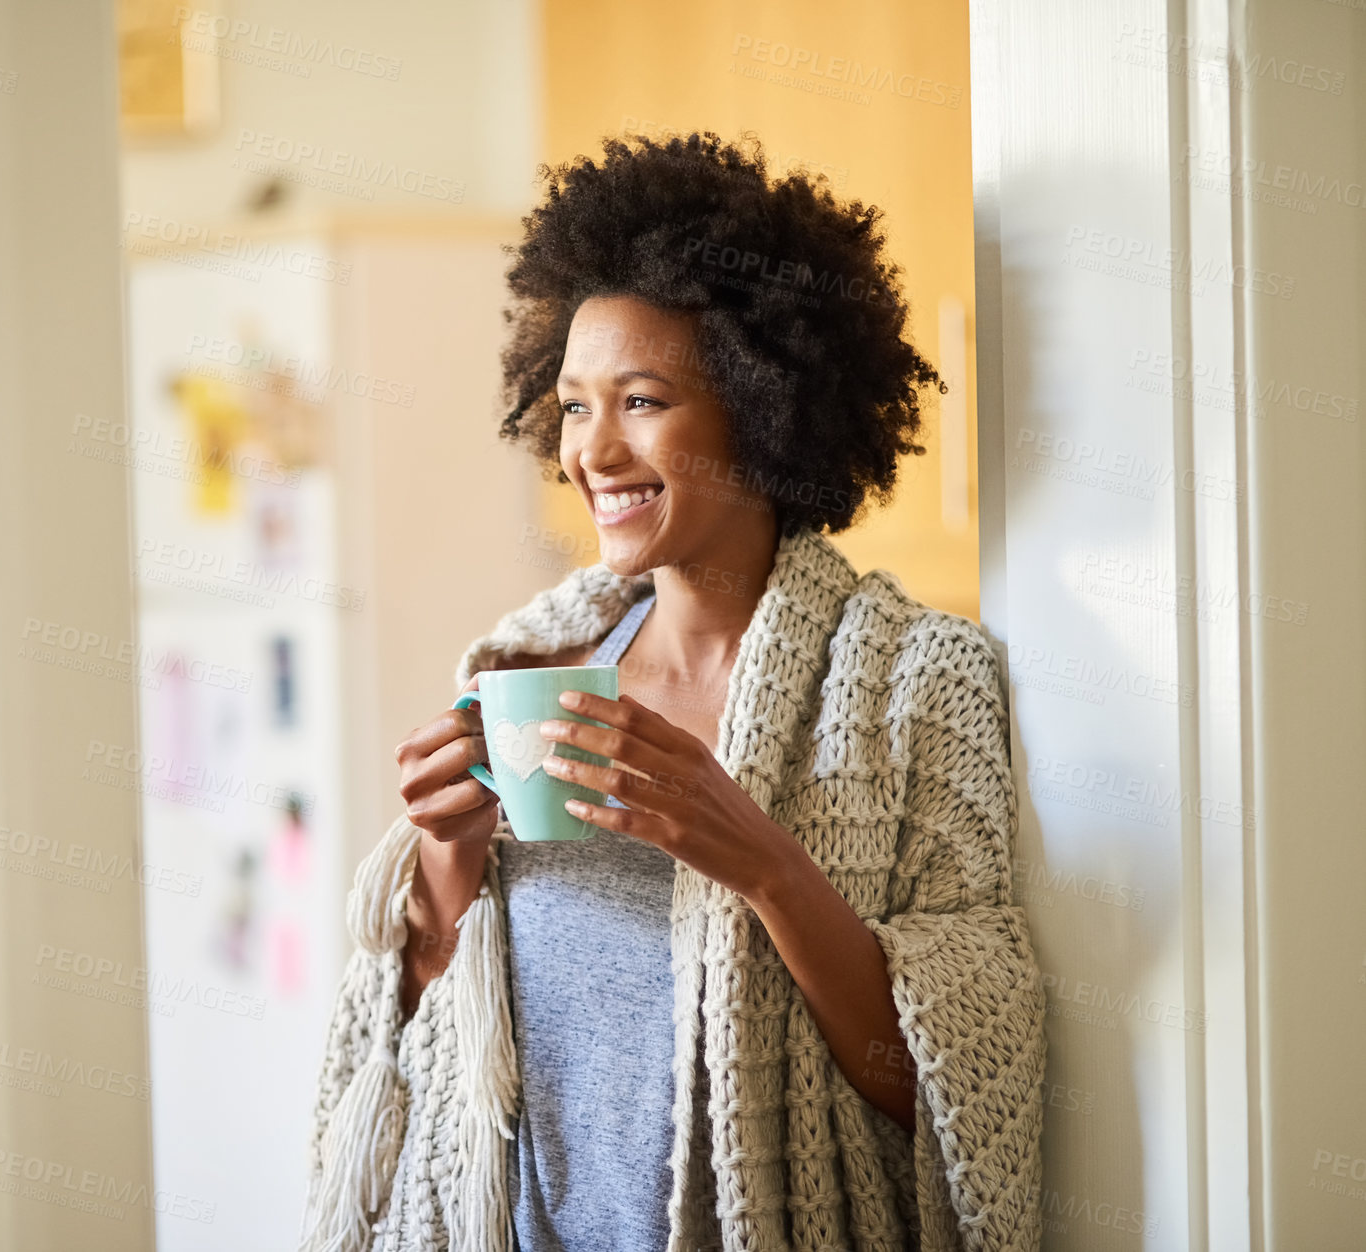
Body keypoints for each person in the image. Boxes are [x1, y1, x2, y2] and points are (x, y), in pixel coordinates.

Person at [300, 131, 1047, 1252]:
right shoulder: (527, 665)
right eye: (572, 406)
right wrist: (446, 863)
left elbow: (950, 1088)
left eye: (640, 399)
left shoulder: (915, 683)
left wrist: (762, 862)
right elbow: (434, 1031)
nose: (591, 449)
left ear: (761, 403)